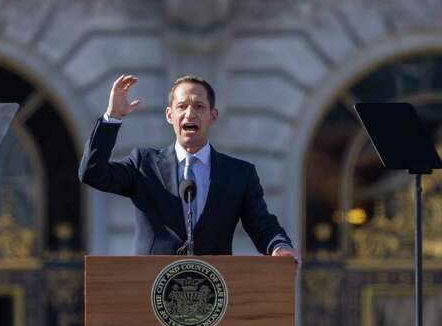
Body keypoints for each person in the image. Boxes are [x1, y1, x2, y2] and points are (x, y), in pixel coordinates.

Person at [79, 74, 300, 263]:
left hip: (212, 298)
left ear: (213, 116)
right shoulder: (143, 164)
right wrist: (112, 118)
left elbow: (262, 224)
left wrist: (279, 246)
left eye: (199, 106)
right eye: (182, 106)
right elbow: (92, 173)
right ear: (169, 115)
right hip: (149, 293)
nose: (190, 114)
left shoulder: (239, 174)